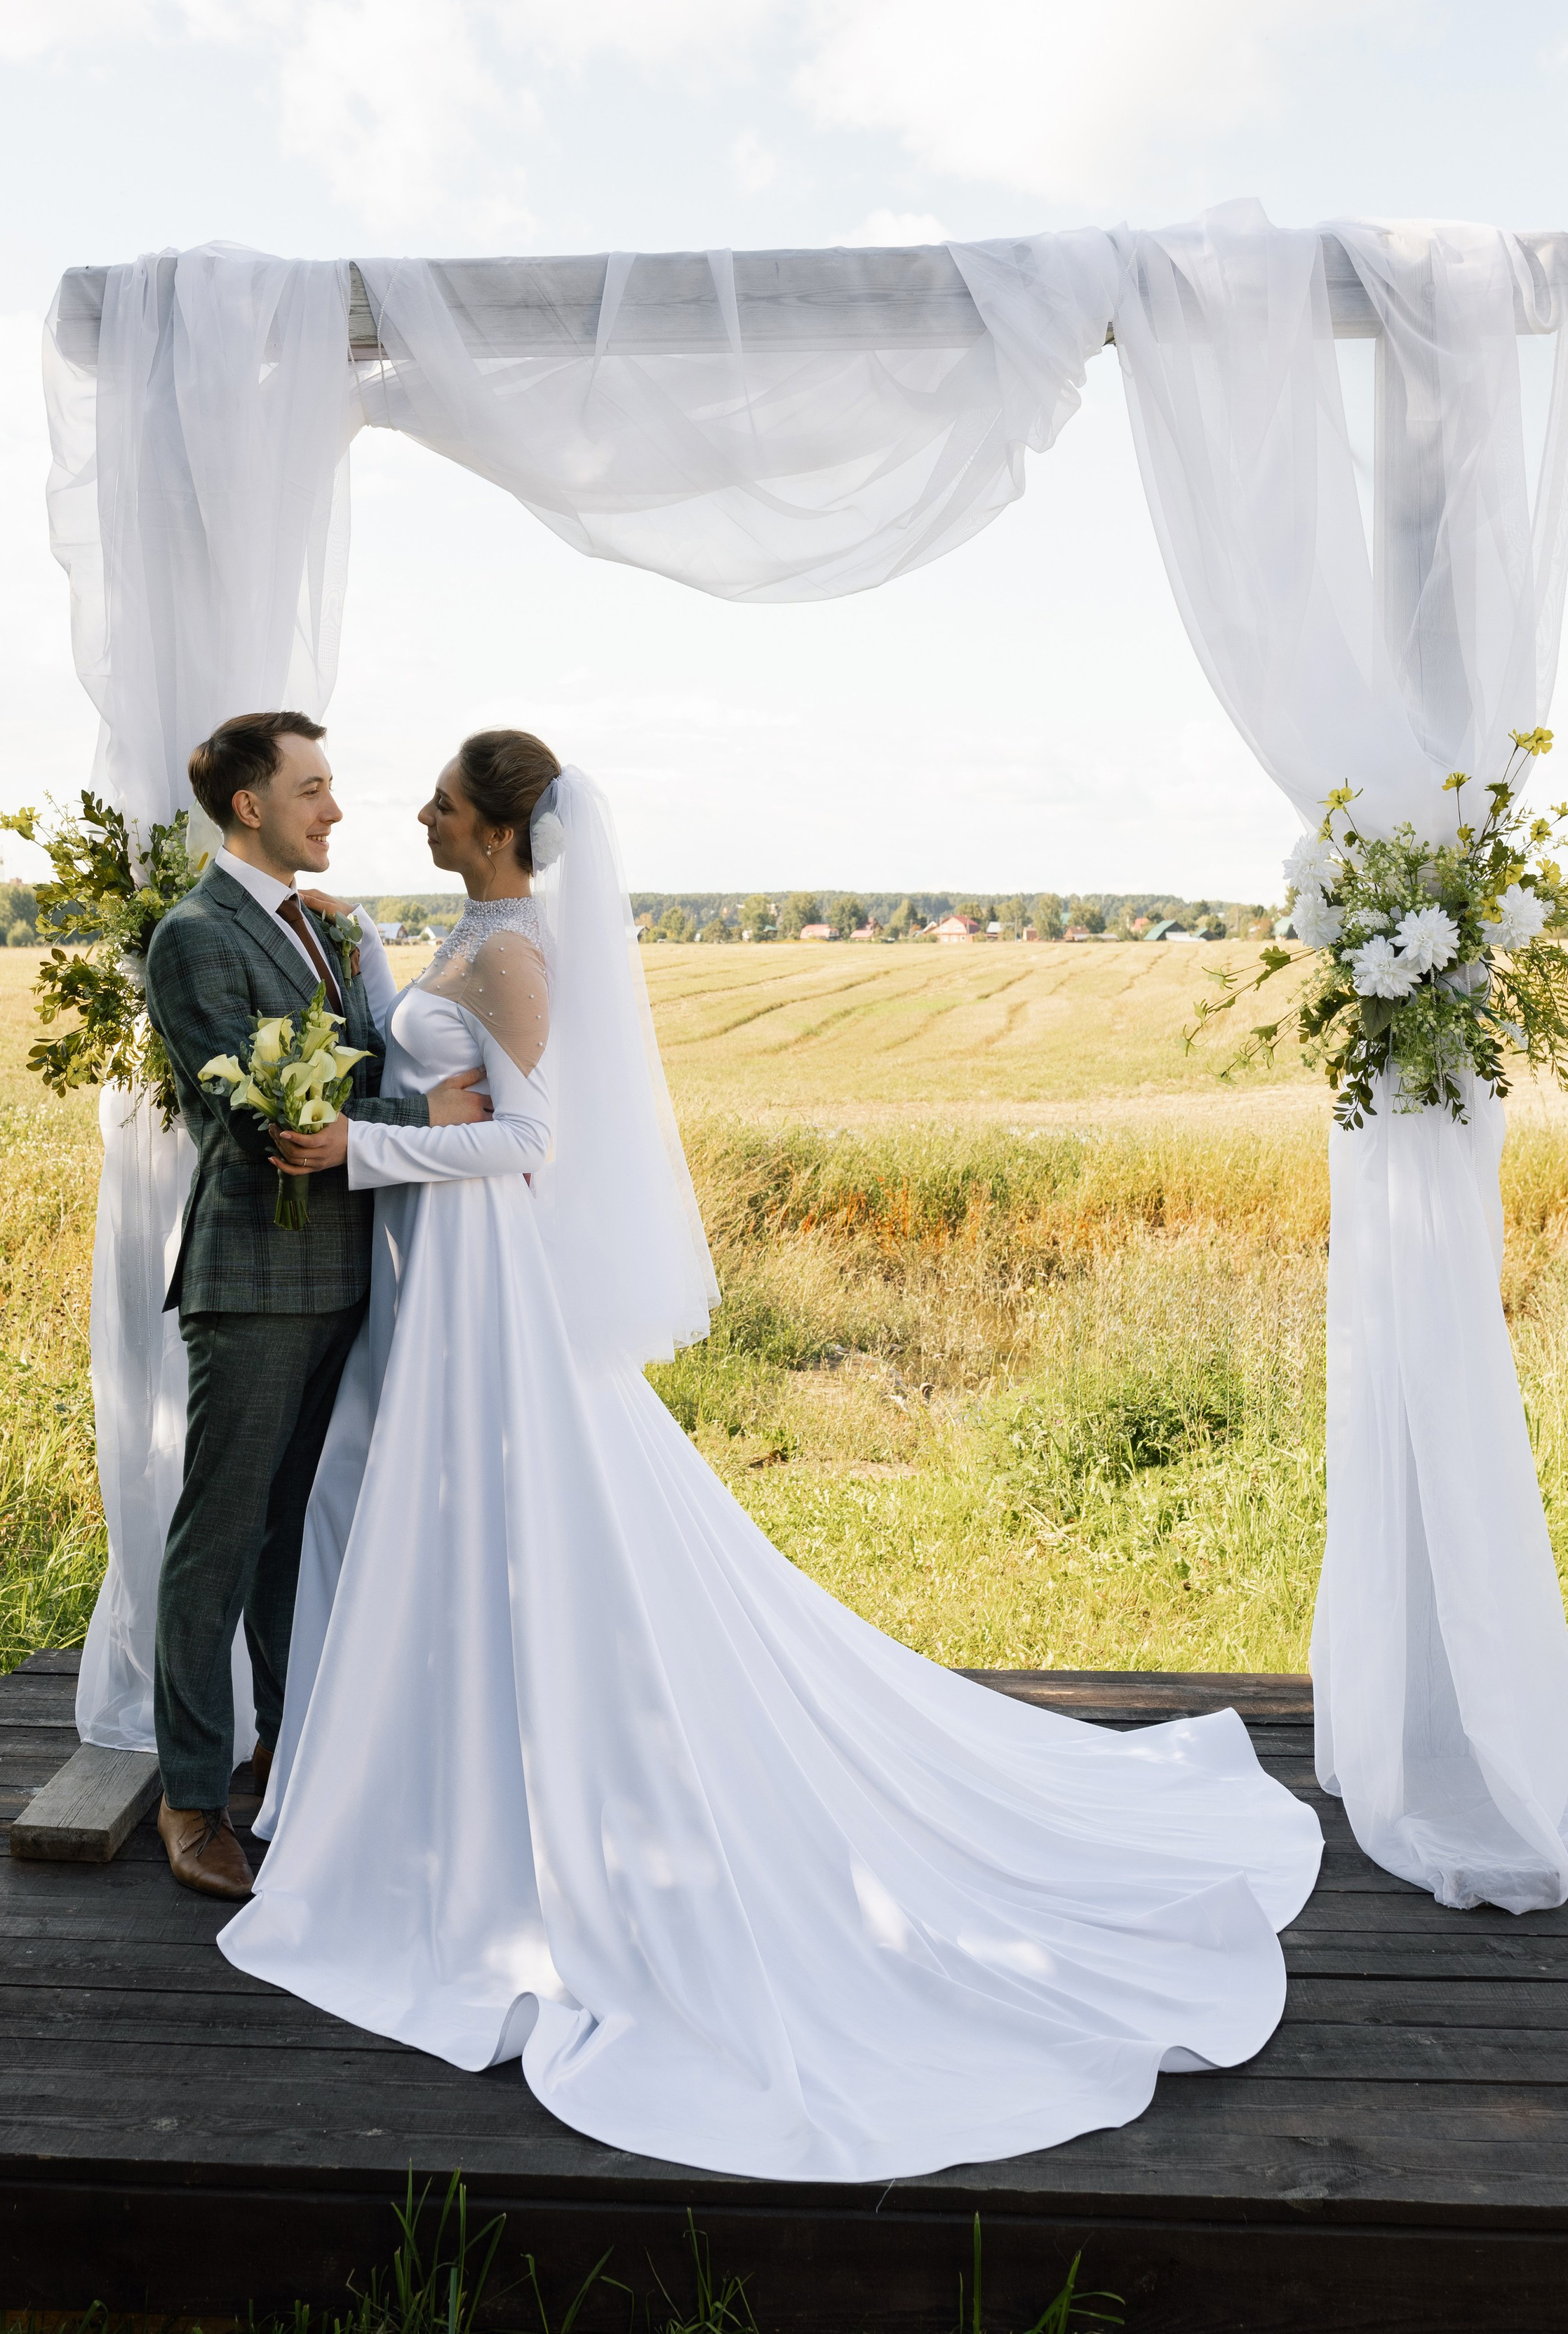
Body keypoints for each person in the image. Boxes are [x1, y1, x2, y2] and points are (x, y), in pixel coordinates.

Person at [218, 730, 1324, 2182]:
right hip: (438, 1283)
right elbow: (452, 1093)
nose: (409, 813)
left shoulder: (511, 958)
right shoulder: (470, 937)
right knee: (413, 1520)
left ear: (494, 828)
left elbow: (529, 1141)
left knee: (498, 1521)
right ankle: (414, 1781)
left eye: (437, 801)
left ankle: (471, 1804)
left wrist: (358, 1152)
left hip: (485, 1282)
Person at [142, 709, 490, 1900]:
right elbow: (270, 1124)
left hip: (343, 1276)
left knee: (301, 1534)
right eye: (314, 789)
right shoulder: (195, 938)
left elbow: (363, 1057)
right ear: (251, 806)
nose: (336, 808)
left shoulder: (318, 929)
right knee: (220, 1538)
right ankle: (191, 1802)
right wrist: (431, 1126)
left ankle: (286, 1758)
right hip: (253, 1283)